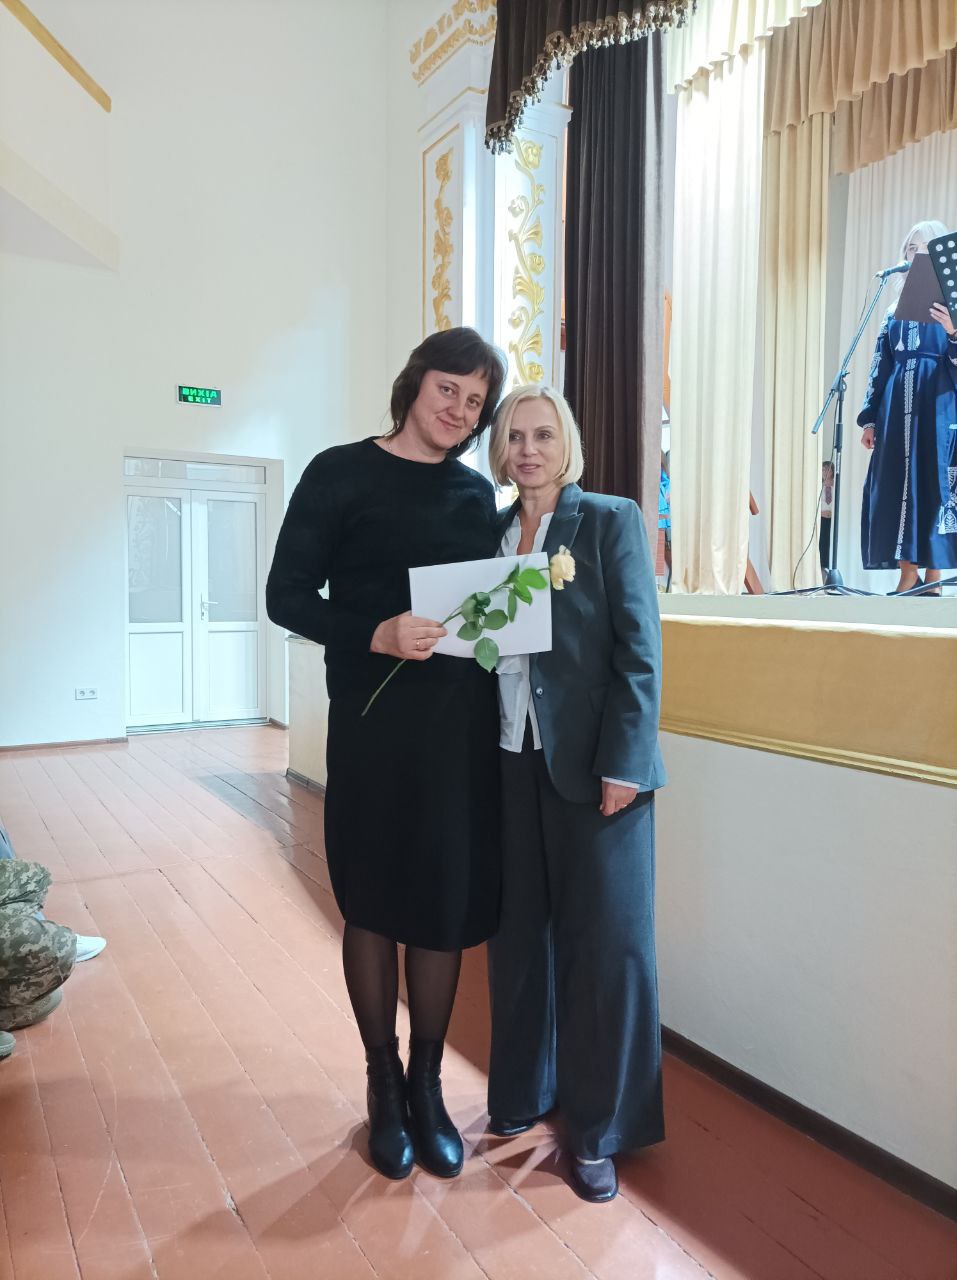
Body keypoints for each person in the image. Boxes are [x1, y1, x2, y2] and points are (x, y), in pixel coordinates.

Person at [266, 327, 507, 1181]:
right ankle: (382, 1081)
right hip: (371, 724)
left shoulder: (475, 495)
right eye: (449, 389)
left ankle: (426, 1085)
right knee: (371, 899)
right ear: (415, 382)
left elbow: (485, 611)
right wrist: (374, 632)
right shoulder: (338, 472)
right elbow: (285, 595)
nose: (459, 410)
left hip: (457, 729)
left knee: (442, 901)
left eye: (475, 401)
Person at [484, 385, 667, 1204]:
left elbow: (638, 650)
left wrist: (624, 763)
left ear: (567, 445)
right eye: (514, 436)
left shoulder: (608, 520)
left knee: (607, 951)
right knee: (518, 940)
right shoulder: (488, 535)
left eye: (542, 435)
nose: (527, 449)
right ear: (498, 450)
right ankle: (523, 1092)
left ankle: (600, 1131)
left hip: (597, 771)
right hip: (508, 762)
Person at [859, 219, 957, 592]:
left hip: (939, 406)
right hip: (896, 405)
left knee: (933, 485)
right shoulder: (892, 310)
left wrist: (953, 331)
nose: (914, 254)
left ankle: (933, 577)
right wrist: (870, 419)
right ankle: (908, 574)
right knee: (897, 484)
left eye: (923, 248)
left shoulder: (953, 307)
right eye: (910, 248)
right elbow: (879, 366)